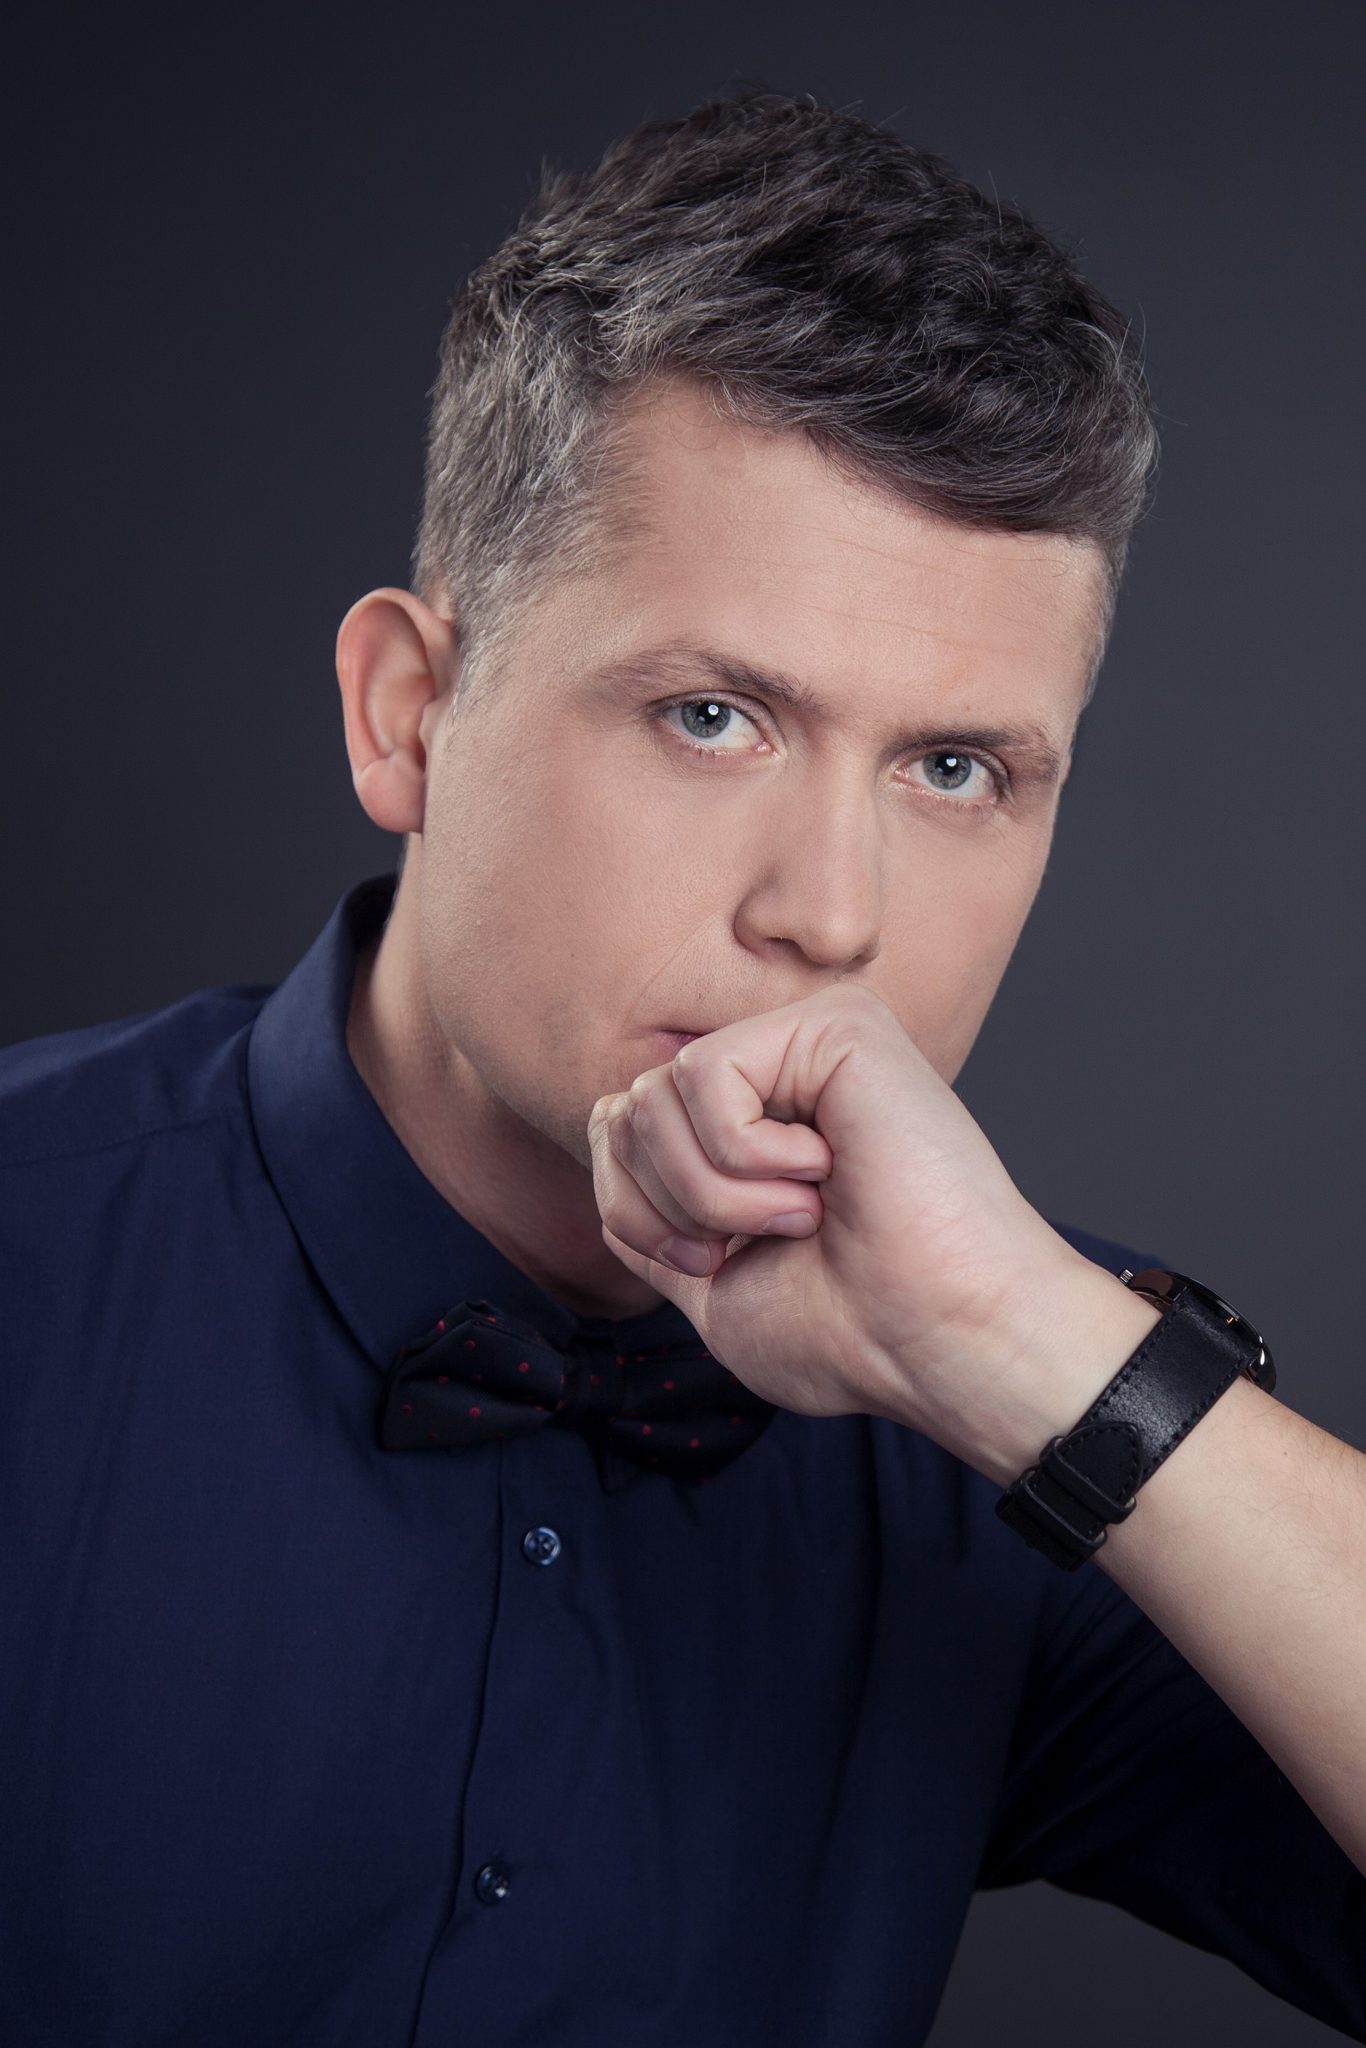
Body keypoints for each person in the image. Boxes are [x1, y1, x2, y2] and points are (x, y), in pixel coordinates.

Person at [1, 84, 1362, 2048]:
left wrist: (1045, 1363)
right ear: (408, 713)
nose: (831, 912)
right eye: (713, 715)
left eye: (952, 768)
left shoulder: (1012, 1403)